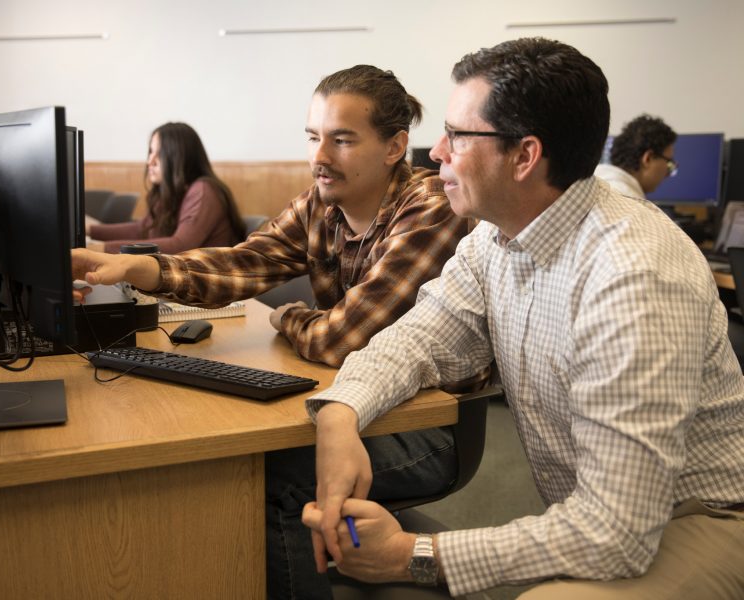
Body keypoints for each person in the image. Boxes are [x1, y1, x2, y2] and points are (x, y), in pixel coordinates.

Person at [302, 38, 744, 598]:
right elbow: (418, 340)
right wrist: (340, 413)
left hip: (700, 519)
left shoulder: (634, 276)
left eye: (457, 135)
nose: (435, 151)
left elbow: (617, 532)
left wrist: (409, 557)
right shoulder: (495, 237)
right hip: (605, 518)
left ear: (524, 156)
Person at [72, 64, 471, 599]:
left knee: (269, 477)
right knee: (219, 458)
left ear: (395, 146)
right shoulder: (319, 205)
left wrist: (290, 319)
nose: (319, 157)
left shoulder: (429, 207)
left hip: (428, 426)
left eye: (342, 140)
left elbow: (342, 340)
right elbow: (241, 265)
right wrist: (132, 268)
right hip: (352, 405)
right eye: (313, 137)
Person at [87, 122, 246, 253]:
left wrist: (102, 248)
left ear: (179, 158)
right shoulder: (173, 192)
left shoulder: (203, 190)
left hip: (206, 288)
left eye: (159, 154)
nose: (150, 162)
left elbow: (180, 245)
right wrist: (89, 231)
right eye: (150, 152)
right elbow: (142, 229)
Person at [594, 114, 677, 199]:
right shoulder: (632, 204)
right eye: (668, 163)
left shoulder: (594, 185)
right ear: (648, 158)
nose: (667, 173)